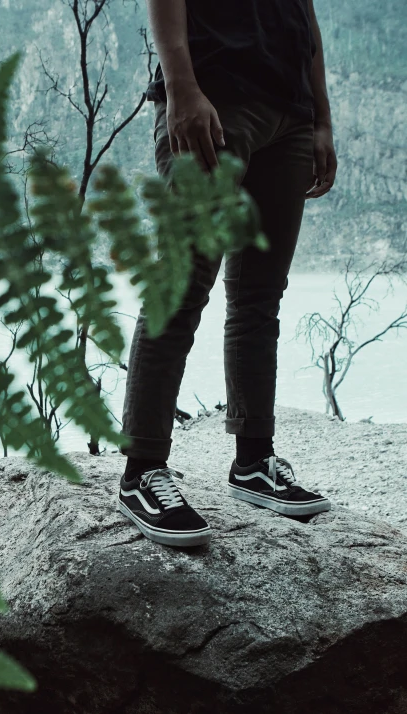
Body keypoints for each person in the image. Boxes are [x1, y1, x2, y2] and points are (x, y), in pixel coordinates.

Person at [117, 0, 338, 547]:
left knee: (259, 301)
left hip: (290, 112)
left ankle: (253, 462)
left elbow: (304, 15)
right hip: (215, 98)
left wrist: (321, 118)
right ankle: (142, 470)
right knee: (183, 284)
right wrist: (182, 87)